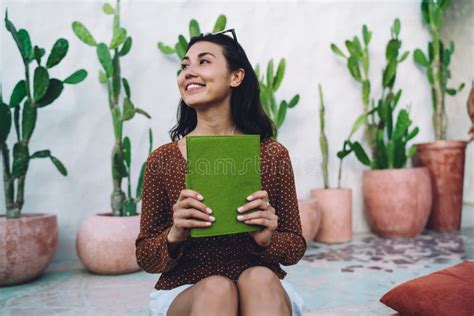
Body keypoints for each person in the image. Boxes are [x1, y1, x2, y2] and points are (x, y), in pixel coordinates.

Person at [135, 29, 307, 316]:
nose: (189, 72)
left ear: (235, 77)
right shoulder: (162, 159)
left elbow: (294, 248)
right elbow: (145, 257)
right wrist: (175, 233)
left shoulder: (272, 154)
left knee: (259, 277)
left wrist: (267, 239)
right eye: (185, 65)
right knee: (217, 288)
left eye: (203, 62)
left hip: (262, 286)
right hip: (186, 289)